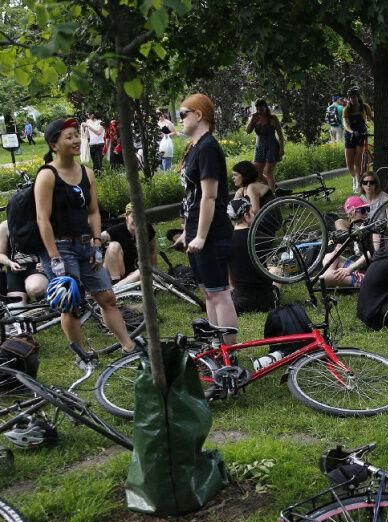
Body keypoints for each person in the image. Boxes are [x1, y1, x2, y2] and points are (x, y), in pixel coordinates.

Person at [34, 117, 136, 356]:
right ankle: (82, 354)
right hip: (59, 247)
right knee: (71, 304)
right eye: (68, 137)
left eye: (76, 135)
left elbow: (92, 211)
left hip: (85, 245)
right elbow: (42, 219)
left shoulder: (86, 173)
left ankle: (128, 345)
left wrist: (97, 243)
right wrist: (54, 257)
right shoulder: (47, 175)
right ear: (54, 145)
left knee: (107, 297)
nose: (76, 141)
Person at [171, 93, 240, 343]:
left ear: (198, 115)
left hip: (212, 231)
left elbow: (209, 197)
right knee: (208, 293)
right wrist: (188, 232)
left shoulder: (209, 148)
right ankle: (216, 348)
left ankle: (229, 356)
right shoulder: (195, 147)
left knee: (219, 292)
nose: (179, 119)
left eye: (182, 114)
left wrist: (200, 236)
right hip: (197, 228)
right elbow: (191, 196)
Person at [226, 197, 279, 312]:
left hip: (240, 302)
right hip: (266, 300)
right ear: (246, 216)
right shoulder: (260, 237)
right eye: (251, 212)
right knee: (277, 270)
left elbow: (231, 280)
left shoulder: (226, 242)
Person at [101, 202, 155, 288]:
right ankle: (116, 285)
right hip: (114, 272)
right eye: (133, 217)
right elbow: (101, 236)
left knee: (144, 270)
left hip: (131, 273)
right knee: (113, 246)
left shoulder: (147, 229)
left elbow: (152, 251)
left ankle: (117, 289)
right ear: (126, 217)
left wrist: (155, 273)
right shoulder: (117, 230)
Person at [0, 220, 46, 302]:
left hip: (36, 268)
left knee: (35, 288)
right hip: (15, 270)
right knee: (15, 310)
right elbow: (0, 254)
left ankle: (43, 297)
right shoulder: (4, 226)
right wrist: (10, 263)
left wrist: (45, 262)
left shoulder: (39, 220)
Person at [246, 99, 284, 190]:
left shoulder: (272, 118)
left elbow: (280, 134)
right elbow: (248, 131)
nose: (259, 112)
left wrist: (281, 148)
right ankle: (274, 188)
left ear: (266, 108)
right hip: (259, 147)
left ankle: (272, 198)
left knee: (268, 173)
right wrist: (252, 120)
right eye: (258, 109)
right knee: (256, 173)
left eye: (261, 109)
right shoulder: (255, 118)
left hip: (271, 147)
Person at [342, 87, 374, 192]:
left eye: (354, 97)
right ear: (349, 98)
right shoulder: (346, 109)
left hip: (361, 134)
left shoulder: (364, 107)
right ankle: (353, 177)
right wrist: (351, 131)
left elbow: (372, 118)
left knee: (357, 160)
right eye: (351, 97)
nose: (353, 99)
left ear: (358, 97)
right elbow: (345, 124)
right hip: (350, 135)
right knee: (349, 162)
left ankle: (358, 180)